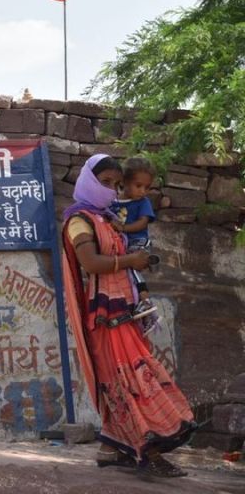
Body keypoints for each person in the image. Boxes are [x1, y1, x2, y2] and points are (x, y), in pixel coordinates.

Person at [61, 154, 196, 478]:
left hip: (124, 308)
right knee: (129, 380)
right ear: (88, 181)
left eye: (115, 185)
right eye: (104, 183)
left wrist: (139, 265)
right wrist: (130, 261)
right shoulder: (80, 219)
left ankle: (111, 449)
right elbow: (92, 263)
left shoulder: (107, 217)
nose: (110, 190)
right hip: (105, 314)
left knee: (126, 379)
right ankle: (148, 450)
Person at [110, 157, 159, 334]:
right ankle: (140, 311)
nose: (143, 191)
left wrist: (122, 228)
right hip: (122, 244)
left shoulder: (142, 203)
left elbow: (142, 223)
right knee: (125, 272)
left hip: (138, 241)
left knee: (131, 266)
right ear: (124, 182)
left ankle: (145, 300)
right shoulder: (112, 201)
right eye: (139, 186)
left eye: (147, 187)